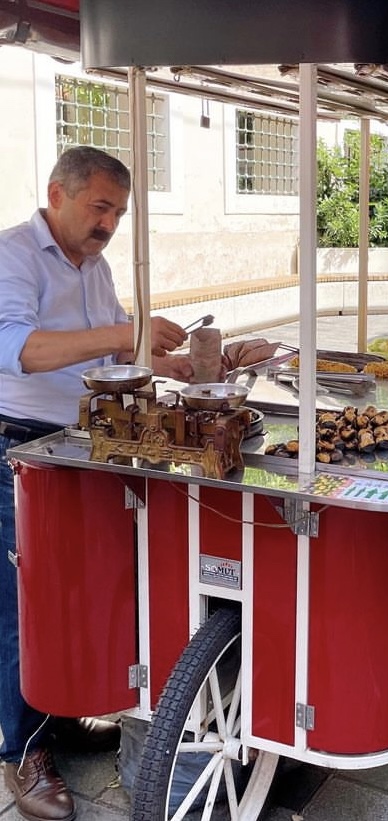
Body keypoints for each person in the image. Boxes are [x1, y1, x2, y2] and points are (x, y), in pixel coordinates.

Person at [0, 146, 194, 821]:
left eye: (118, 212)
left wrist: (186, 363)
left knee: (78, 591)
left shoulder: (98, 266)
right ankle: (20, 750)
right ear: (58, 193)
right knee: (20, 605)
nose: (109, 223)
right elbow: (21, 349)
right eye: (100, 207)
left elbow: (117, 352)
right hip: (16, 448)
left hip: (81, 445)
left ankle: (56, 709)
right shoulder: (13, 255)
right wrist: (123, 329)